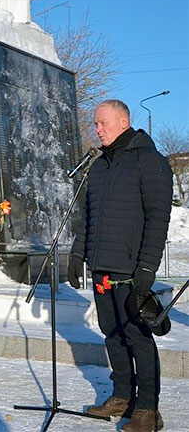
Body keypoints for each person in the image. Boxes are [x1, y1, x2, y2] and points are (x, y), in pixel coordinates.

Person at [68, 100, 172, 432]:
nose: (97, 129)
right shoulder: (97, 167)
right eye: (95, 124)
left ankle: (147, 409)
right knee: (112, 333)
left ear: (123, 121)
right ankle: (122, 396)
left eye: (102, 123)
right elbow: (89, 216)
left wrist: (147, 268)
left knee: (137, 336)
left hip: (130, 270)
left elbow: (158, 219)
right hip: (102, 267)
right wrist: (76, 254)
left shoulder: (150, 161)